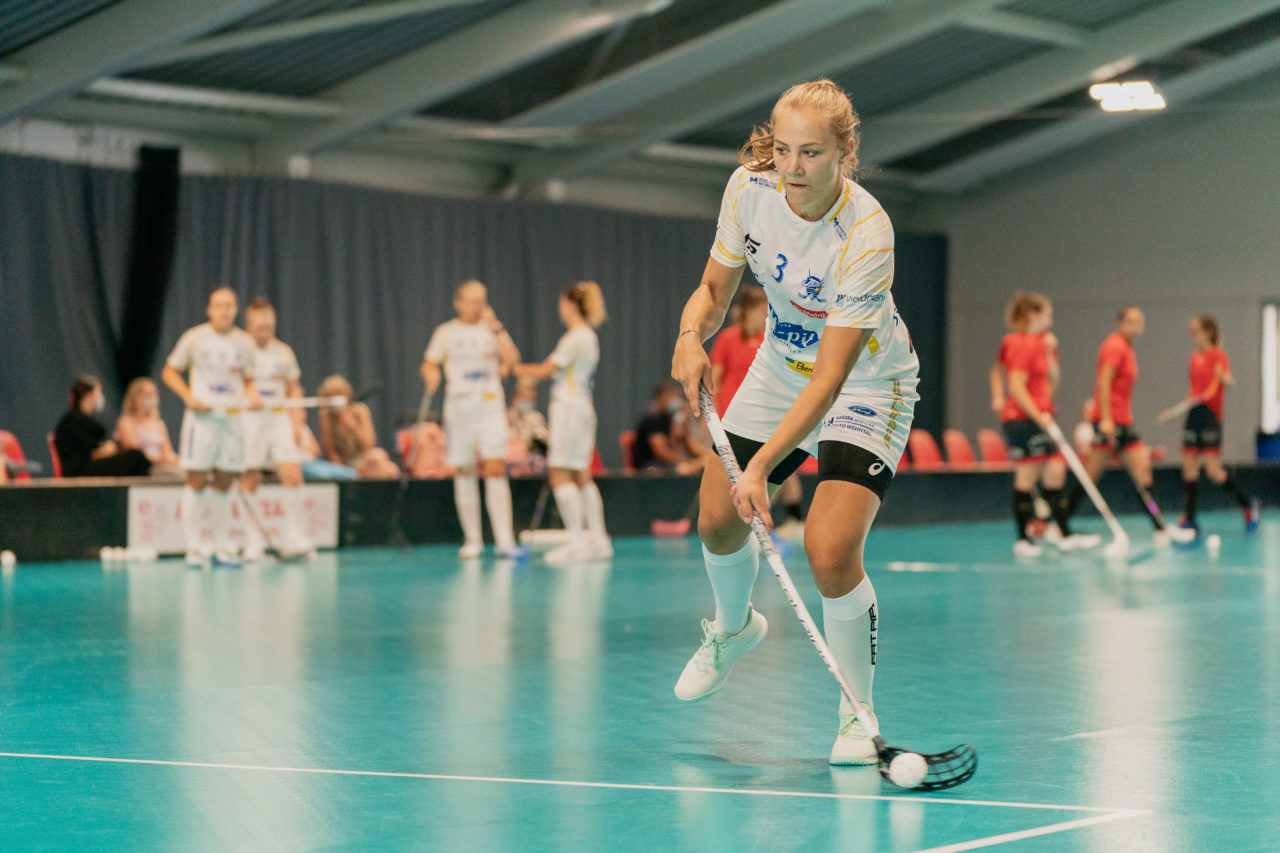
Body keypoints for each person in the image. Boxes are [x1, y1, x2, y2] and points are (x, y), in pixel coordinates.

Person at [669, 79, 920, 765]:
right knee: (717, 516)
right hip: (780, 366)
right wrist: (692, 332)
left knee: (830, 548)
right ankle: (732, 626)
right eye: (784, 150)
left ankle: (856, 711)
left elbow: (833, 374)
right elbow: (716, 290)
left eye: (812, 153)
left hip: (867, 379)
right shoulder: (747, 191)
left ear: (846, 151)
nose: (795, 168)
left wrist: (760, 465)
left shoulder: (866, 232)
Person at [1065, 307, 1194, 545]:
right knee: (1092, 475)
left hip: (1123, 420)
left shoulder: (1126, 348)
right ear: (1119, 322)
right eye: (1131, 321)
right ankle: (1060, 523)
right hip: (1110, 422)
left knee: (1140, 470)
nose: (1135, 326)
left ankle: (1159, 527)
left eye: (1139, 322)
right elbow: (1104, 382)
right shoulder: (1115, 346)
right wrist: (1105, 418)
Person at [989, 292, 1099, 556]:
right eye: (1047, 314)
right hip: (1023, 420)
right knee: (1027, 476)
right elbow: (1015, 386)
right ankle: (1023, 539)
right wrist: (1005, 401)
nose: (1051, 319)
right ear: (1032, 315)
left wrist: (1050, 353)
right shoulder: (1017, 343)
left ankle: (1064, 534)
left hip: (1042, 417)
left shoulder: (1041, 344)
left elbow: (1053, 383)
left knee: (1055, 473)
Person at [422, 280, 524, 559]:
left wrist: (497, 328)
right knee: (464, 469)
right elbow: (430, 362)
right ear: (458, 301)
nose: (477, 306)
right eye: (471, 300)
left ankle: (504, 540)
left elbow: (513, 360)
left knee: (495, 467)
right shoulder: (446, 332)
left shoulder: (492, 330)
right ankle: (473, 539)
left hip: (489, 404)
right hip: (460, 406)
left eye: (482, 300)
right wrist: (431, 375)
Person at [161, 287, 260, 568]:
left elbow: (249, 380)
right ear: (209, 309)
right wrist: (189, 397)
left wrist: (252, 396)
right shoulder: (194, 338)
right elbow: (169, 371)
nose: (224, 311)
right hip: (202, 422)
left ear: (236, 309)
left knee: (226, 481)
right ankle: (194, 548)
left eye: (229, 305)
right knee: (196, 479)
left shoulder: (245, 343)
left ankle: (219, 546)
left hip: (232, 420)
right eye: (218, 305)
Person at [516, 281, 611, 564]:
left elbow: (545, 370)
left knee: (559, 473)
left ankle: (577, 542)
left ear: (571, 304)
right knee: (581, 473)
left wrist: (512, 369)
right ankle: (598, 539)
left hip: (569, 408)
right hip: (581, 408)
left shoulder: (575, 337)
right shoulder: (588, 336)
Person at [711, 285, 806, 538]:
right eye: (761, 308)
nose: (766, 312)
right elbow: (715, 380)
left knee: (780, 470)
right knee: (738, 477)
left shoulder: (771, 339)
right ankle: (747, 526)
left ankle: (794, 519)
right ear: (749, 311)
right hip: (736, 417)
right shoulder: (728, 338)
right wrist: (713, 419)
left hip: (771, 414)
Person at [238, 298, 312, 560]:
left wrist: (297, 422)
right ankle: (253, 541)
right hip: (250, 420)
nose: (265, 328)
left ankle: (296, 537)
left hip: (279, 419)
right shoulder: (241, 351)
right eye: (260, 324)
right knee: (249, 476)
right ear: (249, 325)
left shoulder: (284, 352)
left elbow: (293, 387)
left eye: (269, 324)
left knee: (292, 473)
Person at [1175, 314, 1260, 535]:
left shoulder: (1218, 356)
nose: (1193, 335)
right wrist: (1181, 407)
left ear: (1208, 332)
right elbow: (1195, 390)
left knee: (1214, 471)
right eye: (1191, 331)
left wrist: (1223, 377)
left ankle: (1248, 503)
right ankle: (1190, 518)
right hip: (1193, 413)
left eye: (1196, 330)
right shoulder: (1194, 358)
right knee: (1189, 467)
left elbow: (1229, 381)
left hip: (1210, 417)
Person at [54, 375, 151, 477]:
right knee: (135, 456)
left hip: (83, 468)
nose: (100, 398)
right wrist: (108, 448)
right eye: (98, 393)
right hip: (79, 472)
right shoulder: (74, 420)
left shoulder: (77, 419)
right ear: (89, 396)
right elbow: (94, 452)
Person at [316, 375, 399, 479]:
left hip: (363, 459)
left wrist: (351, 425)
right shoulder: (326, 415)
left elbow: (369, 445)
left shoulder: (360, 411)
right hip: (342, 463)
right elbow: (329, 450)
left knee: (386, 464)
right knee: (383, 467)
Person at [115, 376, 181, 478]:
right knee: (175, 474)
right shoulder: (126, 422)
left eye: (155, 394)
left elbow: (168, 452)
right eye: (149, 395)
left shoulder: (159, 424)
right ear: (137, 398)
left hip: (163, 466)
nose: (154, 398)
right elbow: (135, 453)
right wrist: (160, 459)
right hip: (143, 469)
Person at [631, 381, 703, 474]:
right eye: (672, 396)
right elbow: (661, 452)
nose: (676, 400)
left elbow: (675, 442)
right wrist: (684, 461)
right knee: (685, 469)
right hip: (651, 466)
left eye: (677, 396)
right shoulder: (651, 418)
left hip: (666, 464)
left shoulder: (669, 418)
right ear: (661, 397)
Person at [506, 377, 549, 477]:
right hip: (509, 465)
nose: (530, 395)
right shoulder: (506, 417)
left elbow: (543, 441)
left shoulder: (536, 418)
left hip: (532, 467)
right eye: (524, 392)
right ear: (515, 395)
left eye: (532, 392)